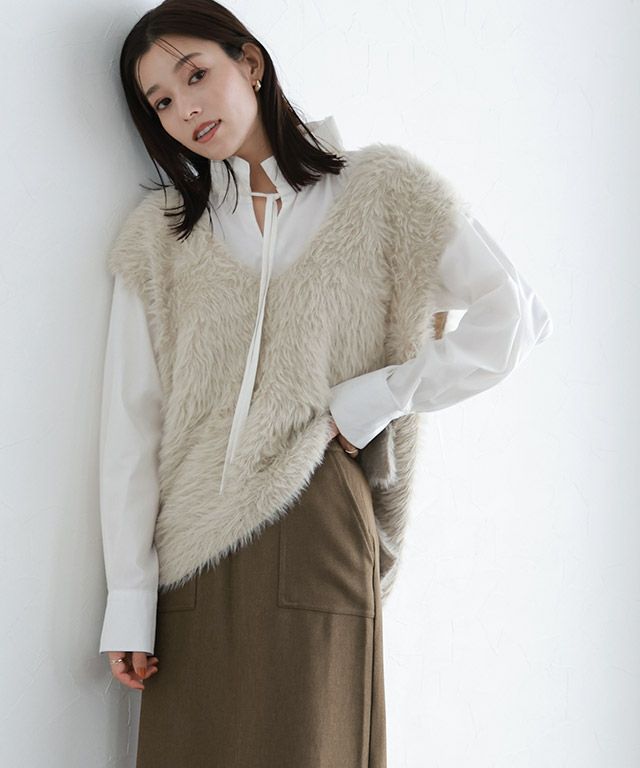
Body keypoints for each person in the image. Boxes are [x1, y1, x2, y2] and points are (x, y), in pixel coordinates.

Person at [98, 1, 553, 765]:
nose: (186, 109)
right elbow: (129, 427)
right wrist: (128, 599)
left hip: (317, 517)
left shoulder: (381, 191)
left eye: (196, 75)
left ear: (250, 63)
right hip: (192, 555)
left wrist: (378, 397)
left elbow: (517, 316)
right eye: (162, 102)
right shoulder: (161, 236)